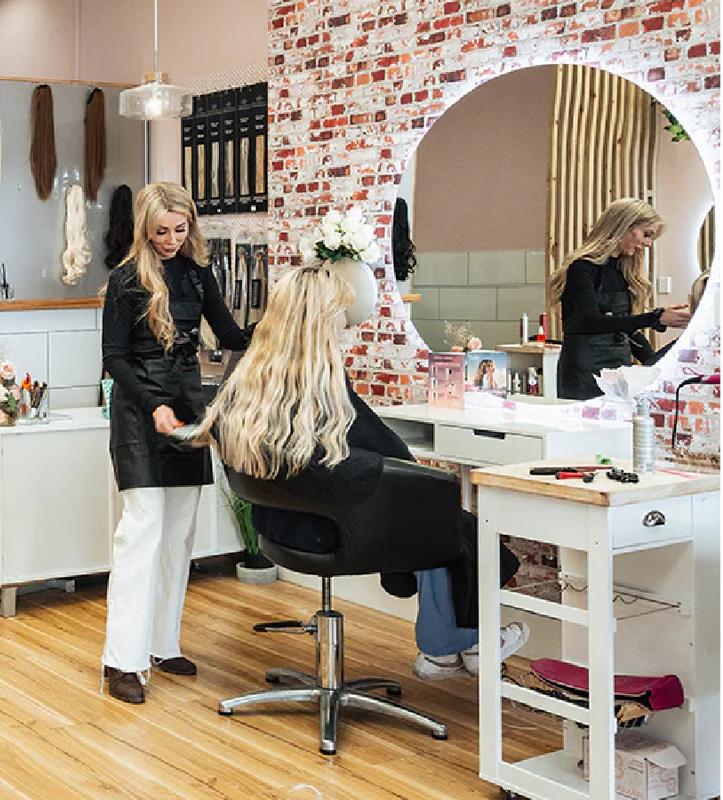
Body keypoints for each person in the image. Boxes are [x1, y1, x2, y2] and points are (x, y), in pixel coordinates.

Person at [194, 266, 529, 681]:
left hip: (279, 526)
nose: (346, 320)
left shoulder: (248, 374)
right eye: (339, 310)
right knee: (444, 517)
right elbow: (393, 451)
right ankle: (460, 644)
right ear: (321, 316)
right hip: (329, 531)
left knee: (434, 515)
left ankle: (457, 644)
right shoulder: (322, 380)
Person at [98, 182, 247, 704]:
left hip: (185, 405)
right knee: (142, 530)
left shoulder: (196, 272)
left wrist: (282, 333)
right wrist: (150, 404)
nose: (170, 239)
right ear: (144, 227)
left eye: (180, 230)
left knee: (180, 531)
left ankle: (162, 643)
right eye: (161, 231)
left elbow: (228, 333)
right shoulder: (123, 279)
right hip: (141, 409)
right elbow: (114, 356)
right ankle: (122, 661)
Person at [550, 198, 690, 400]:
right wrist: (654, 318)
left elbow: (622, 325)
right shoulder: (582, 269)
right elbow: (589, 322)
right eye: (646, 234)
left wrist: (652, 361)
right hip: (584, 372)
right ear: (624, 225)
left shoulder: (620, 272)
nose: (648, 243)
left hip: (618, 369)